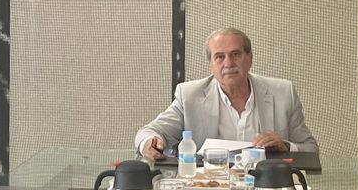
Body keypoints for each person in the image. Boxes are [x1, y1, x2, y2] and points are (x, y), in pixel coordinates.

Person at [135, 28, 319, 158]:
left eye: (236, 55)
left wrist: (285, 146)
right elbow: (148, 132)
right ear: (211, 65)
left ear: (250, 59)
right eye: (220, 57)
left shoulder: (283, 93)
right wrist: (150, 143)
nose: (228, 64)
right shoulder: (189, 95)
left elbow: (310, 149)